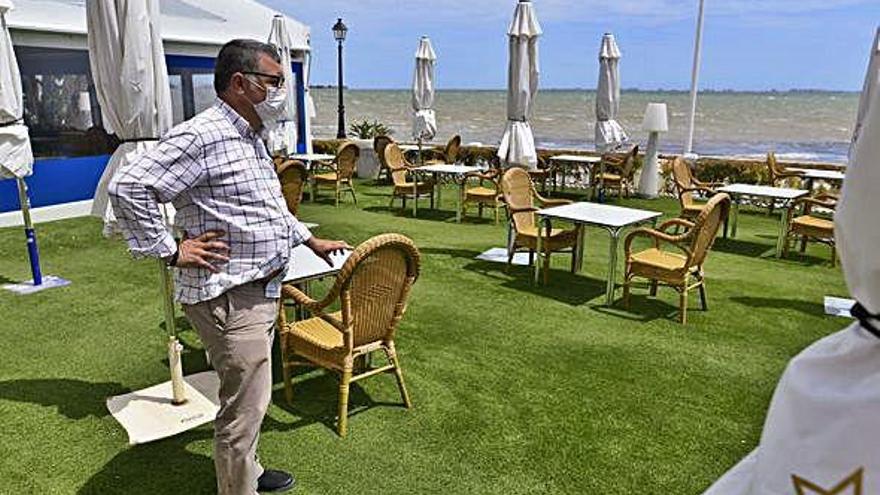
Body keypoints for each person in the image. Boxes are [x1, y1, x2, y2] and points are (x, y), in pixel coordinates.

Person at [109, 39, 350, 494]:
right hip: (230, 296)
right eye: (275, 81)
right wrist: (170, 250)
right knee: (244, 408)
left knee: (248, 401)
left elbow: (265, 207)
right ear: (241, 84)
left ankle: (251, 472)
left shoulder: (249, 135)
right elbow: (130, 185)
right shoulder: (203, 136)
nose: (283, 91)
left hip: (258, 290)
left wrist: (310, 239)